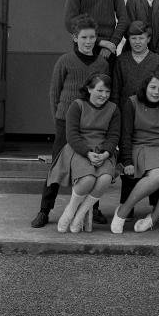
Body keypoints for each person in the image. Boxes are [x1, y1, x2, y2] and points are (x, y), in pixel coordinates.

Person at [31, 15, 109, 228]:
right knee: (57, 165)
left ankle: (93, 208)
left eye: (92, 37)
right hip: (66, 121)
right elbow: (54, 93)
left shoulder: (102, 63)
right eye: (84, 37)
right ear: (75, 38)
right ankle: (44, 210)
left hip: (92, 123)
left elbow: (104, 93)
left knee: (93, 164)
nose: (88, 41)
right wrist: (59, 118)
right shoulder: (65, 61)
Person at [111, 72, 159, 233]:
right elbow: (125, 135)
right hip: (141, 147)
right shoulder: (132, 103)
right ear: (145, 87)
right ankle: (122, 211)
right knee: (158, 175)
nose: (156, 92)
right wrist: (127, 161)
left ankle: (153, 218)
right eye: (153, 87)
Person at [47, 74, 120, 233]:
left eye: (107, 92)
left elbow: (113, 136)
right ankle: (71, 210)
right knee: (87, 179)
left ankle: (80, 214)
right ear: (89, 89)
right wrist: (87, 153)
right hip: (79, 149)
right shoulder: (77, 105)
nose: (104, 95)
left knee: (106, 178)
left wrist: (106, 154)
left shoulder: (113, 109)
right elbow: (71, 135)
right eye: (100, 90)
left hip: (103, 150)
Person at [111, 20, 159, 218]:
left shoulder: (156, 60)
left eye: (141, 38)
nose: (137, 42)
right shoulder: (121, 61)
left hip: (149, 115)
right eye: (133, 38)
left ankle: (156, 201)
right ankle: (128, 202)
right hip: (126, 114)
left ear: (148, 39)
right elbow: (115, 91)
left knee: (152, 154)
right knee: (129, 154)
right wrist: (116, 114)